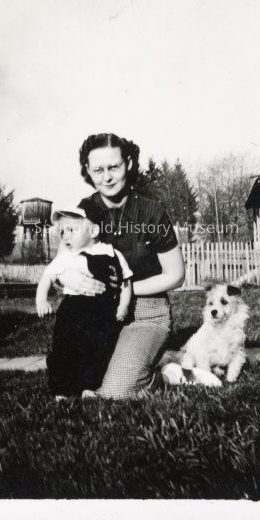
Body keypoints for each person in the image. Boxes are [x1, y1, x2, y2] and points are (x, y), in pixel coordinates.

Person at [56, 132, 186, 399]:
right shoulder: (82, 211)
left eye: (113, 167)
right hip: (95, 317)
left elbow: (176, 275)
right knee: (79, 384)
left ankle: (164, 377)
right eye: (98, 170)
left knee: (114, 392)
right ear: (87, 171)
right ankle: (140, 363)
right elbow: (61, 266)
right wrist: (66, 278)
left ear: (128, 163)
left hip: (146, 313)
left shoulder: (152, 211)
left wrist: (125, 288)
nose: (107, 177)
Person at [36, 205, 133, 398]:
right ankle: (62, 389)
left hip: (103, 312)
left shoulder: (113, 253)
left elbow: (126, 282)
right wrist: (41, 300)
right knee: (64, 349)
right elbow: (47, 277)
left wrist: (123, 305)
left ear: (94, 231)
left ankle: (89, 387)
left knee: (99, 350)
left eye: (71, 230)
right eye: (62, 231)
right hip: (73, 310)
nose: (65, 236)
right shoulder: (67, 257)